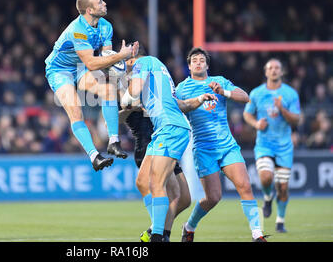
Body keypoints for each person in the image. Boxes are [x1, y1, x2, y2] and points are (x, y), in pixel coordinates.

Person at [175, 47, 267, 242]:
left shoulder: (219, 81)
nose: (198, 62)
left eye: (202, 60)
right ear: (189, 66)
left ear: (207, 65)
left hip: (227, 146)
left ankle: (257, 234)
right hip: (203, 149)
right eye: (194, 60)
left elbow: (245, 97)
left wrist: (223, 91)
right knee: (213, 197)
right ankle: (189, 226)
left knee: (245, 186)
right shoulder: (182, 88)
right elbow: (177, 108)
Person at [45, 0, 138, 171]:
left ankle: (113, 141)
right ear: (89, 10)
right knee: (75, 111)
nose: (104, 4)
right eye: (100, 2)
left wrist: (123, 63)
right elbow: (91, 62)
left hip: (80, 68)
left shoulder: (106, 26)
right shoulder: (77, 30)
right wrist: (120, 56)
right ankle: (94, 156)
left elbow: (106, 60)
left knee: (108, 90)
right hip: (60, 70)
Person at [120, 46, 192, 242]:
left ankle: (158, 236)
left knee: (158, 185)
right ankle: (158, 231)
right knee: (143, 181)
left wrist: (124, 101)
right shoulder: (156, 66)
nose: (124, 63)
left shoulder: (143, 63)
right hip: (161, 131)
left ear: (133, 55)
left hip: (170, 128)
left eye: (126, 58)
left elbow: (133, 92)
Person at [243, 58, 300, 233]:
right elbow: (247, 114)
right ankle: (267, 197)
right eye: (271, 68)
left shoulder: (290, 94)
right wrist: (256, 124)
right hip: (264, 144)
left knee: (283, 188)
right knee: (266, 177)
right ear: (265, 72)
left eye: (277, 68)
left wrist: (282, 109)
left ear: (282, 72)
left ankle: (280, 221)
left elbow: (296, 119)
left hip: (284, 145)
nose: (274, 70)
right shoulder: (256, 93)